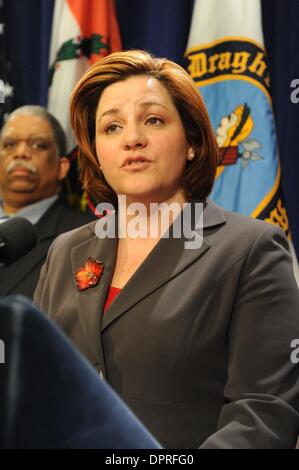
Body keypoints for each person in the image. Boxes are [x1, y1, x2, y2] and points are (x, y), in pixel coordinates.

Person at [34, 50, 299, 449]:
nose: (132, 139)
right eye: (111, 127)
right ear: (97, 155)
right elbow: (36, 390)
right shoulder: (65, 251)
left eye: (153, 120)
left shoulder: (250, 249)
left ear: (191, 141)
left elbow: (263, 413)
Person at [0, 106, 95, 299]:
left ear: (62, 167)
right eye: (9, 144)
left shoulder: (87, 236)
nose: (20, 153)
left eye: (38, 145)